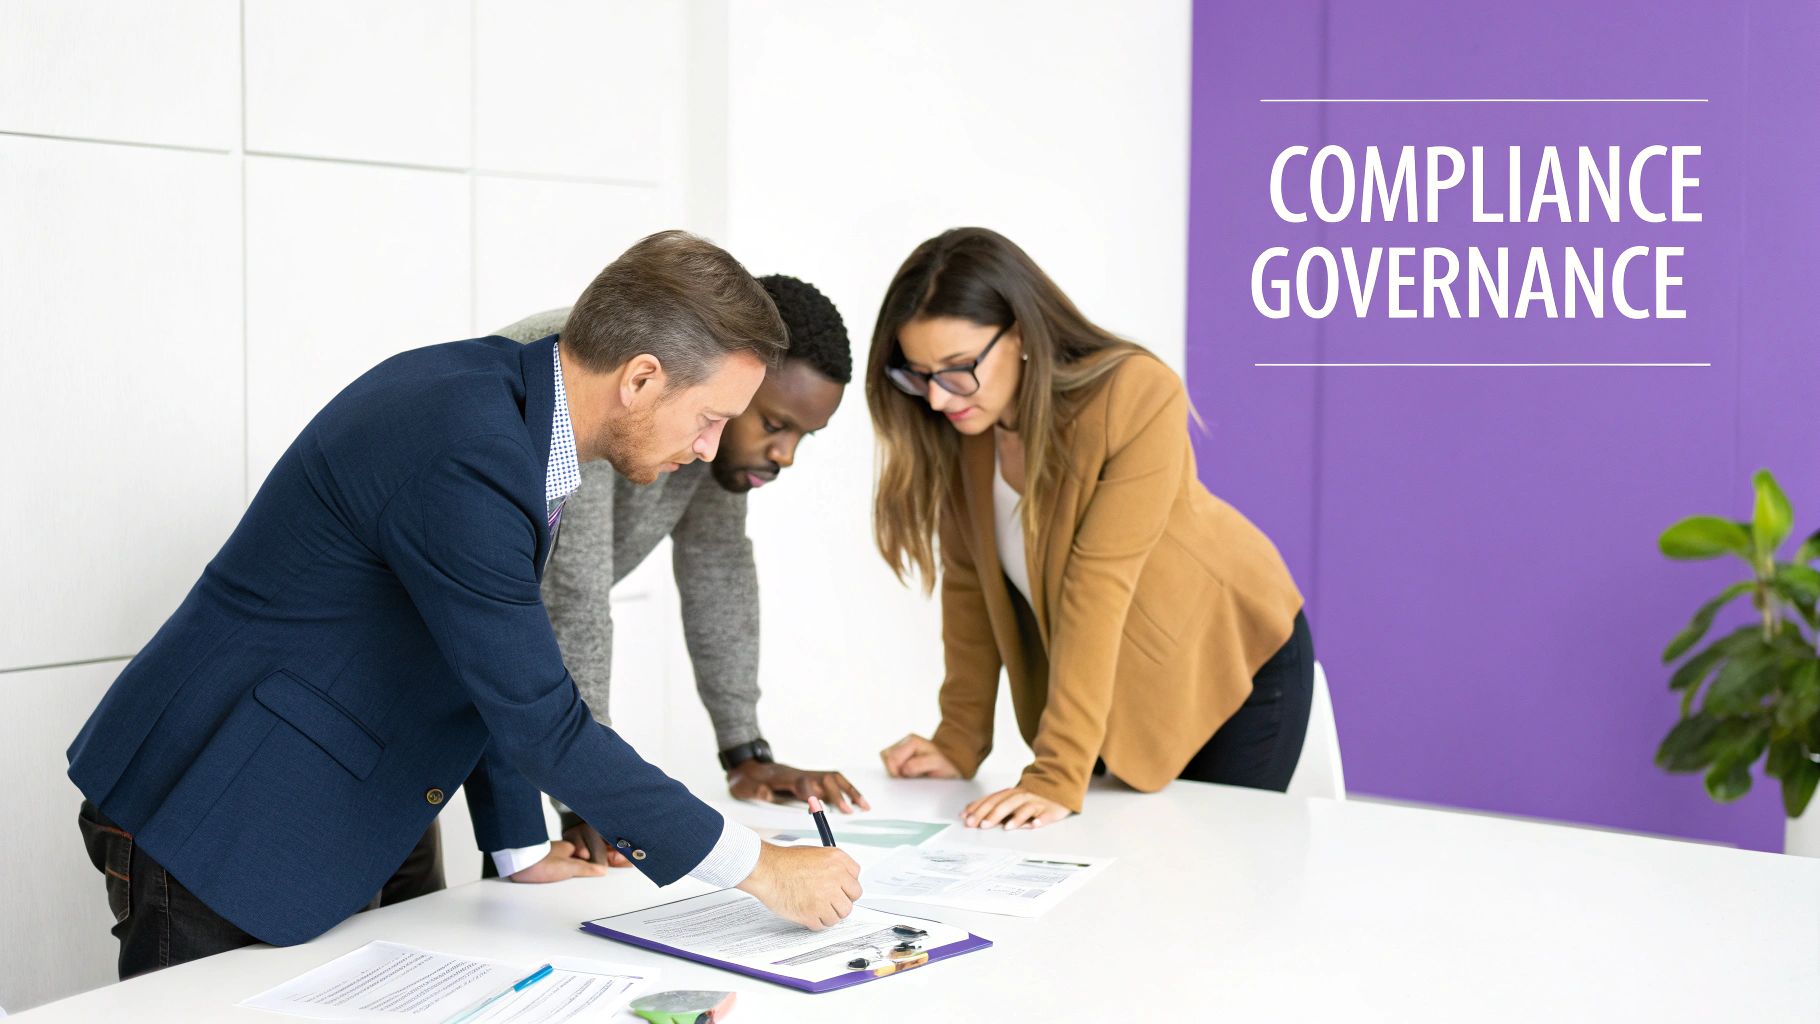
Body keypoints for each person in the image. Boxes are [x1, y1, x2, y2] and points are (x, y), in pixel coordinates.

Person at [69, 231, 861, 980]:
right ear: (643, 377)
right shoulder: (469, 449)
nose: (709, 450)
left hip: (339, 807)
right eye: (710, 418)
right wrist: (762, 868)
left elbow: (476, 653)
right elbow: (541, 721)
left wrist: (517, 845)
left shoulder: (511, 411)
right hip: (224, 810)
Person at [870, 227, 1313, 830]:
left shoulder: (1137, 393)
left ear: (1022, 334)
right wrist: (958, 740)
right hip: (1123, 684)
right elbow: (970, 589)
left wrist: (1056, 771)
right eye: (918, 375)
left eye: (957, 368)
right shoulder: (966, 430)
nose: (939, 400)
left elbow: (1097, 583)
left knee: (1222, 879)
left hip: (1232, 659)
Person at [487, 274, 868, 872]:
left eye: (803, 436)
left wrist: (744, 749)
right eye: (773, 424)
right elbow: (573, 597)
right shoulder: (605, 384)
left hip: (500, 658)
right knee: (379, 886)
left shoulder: (708, 431)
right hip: (410, 643)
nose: (786, 455)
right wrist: (588, 796)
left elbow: (718, 571)